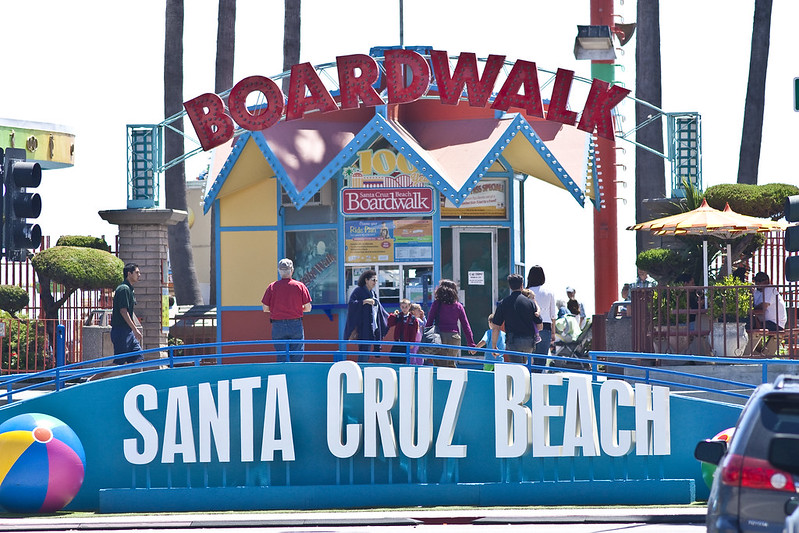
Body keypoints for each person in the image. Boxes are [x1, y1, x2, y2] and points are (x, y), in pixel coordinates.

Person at [261, 258, 312, 362]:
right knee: (297, 355)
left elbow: (265, 308)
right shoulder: (300, 286)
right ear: (292, 270)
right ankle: (296, 376)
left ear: (279, 271)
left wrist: (277, 309)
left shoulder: (272, 287)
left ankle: (283, 376)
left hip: (277, 325)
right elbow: (308, 307)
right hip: (295, 323)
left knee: (281, 356)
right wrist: (297, 309)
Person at [493, 273, 543, 369]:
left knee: (516, 369)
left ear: (510, 286)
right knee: (526, 368)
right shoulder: (530, 303)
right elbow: (540, 326)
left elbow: (496, 327)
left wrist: (494, 345)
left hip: (513, 341)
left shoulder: (504, 303)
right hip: (529, 342)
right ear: (522, 285)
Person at [425, 279, 475, 367]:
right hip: (454, 337)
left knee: (439, 364)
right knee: (450, 364)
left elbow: (429, 322)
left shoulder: (437, 304)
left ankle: (440, 381)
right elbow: (466, 325)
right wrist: (470, 343)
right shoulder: (458, 306)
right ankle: (453, 379)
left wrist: (426, 339)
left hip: (439, 336)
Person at [344, 270, 389, 363]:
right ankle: (360, 370)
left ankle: (361, 369)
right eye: (373, 280)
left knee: (367, 350)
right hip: (363, 326)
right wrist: (365, 301)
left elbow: (379, 309)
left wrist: (391, 317)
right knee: (364, 350)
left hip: (373, 326)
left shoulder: (373, 293)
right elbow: (352, 304)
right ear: (366, 280)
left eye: (376, 281)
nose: (375, 283)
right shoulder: (358, 291)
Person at [110, 263, 144, 365]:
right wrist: (135, 329)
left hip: (128, 331)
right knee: (118, 363)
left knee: (138, 358)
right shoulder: (124, 289)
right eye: (137, 272)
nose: (139, 275)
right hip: (121, 331)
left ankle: (136, 381)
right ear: (129, 274)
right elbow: (123, 311)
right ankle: (89, 379)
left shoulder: (129, 289)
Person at [526, 265, 557, 358]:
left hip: (530, 327)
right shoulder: (549, 292)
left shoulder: (527, 292)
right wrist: (553, 333)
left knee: (530, 359)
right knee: (541, 359)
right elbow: (553, 315)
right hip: (546, 327)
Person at [386, 298, 420, 364]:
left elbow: (414, 332)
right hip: (398, 341)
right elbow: (390, 323)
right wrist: (393, 315)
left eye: (406, 307)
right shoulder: (398, 316)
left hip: (406, 342)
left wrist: (412, 342)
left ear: (409, 307)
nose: (404, 309)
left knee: (403, 358)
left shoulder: (413, 319)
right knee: (392, 356)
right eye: (403, 307)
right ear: (400, 307)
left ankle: (401, 370)